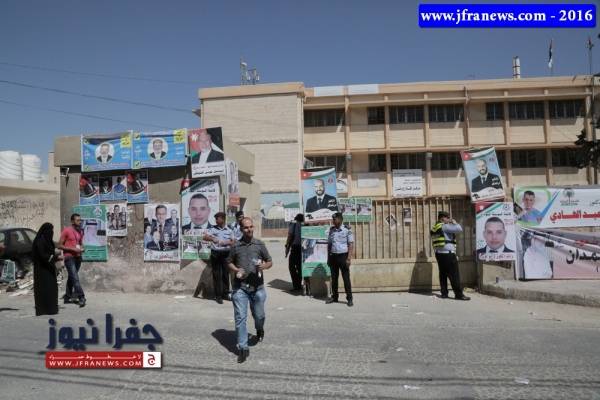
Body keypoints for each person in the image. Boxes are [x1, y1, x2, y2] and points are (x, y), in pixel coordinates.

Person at [227, 217, 272, 363]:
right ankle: (243, 348)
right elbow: (229, 262)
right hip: (240, 288)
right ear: (241, 229)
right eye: (246, 227)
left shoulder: (259, 244)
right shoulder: (235, 246)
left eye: (251, 227)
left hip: (257, 288)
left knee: (259, 316)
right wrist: (236, 269)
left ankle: (259, 329)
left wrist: (264, 266)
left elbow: (270, 261)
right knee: (240, 317)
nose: (249, 229)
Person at [431, 211, 470, 300]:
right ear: (442, 218)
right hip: (448, 255)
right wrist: (455, 223)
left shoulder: (435, 227)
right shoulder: (445, 226)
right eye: (447, 218)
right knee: (454, 275)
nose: (449, 219)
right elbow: (459, 229)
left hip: (439, 254)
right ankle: (459, 295)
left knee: (443, 274)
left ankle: (444, 293)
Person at [204, 212, 235, 304]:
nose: (216, 220)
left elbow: (233, 242)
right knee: (217, 275)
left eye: (218, 218)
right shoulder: (212, 229)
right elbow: (205, 237)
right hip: (215, 254)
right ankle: (218, 296)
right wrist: (212, 239)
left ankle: (225, 294)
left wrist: (226, 242)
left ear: (223, 219)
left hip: (226, 254)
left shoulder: (229, 230)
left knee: (225, 275)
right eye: (216, 219)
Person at [32, 223, 62, 316]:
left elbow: (51, 252)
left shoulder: (48, 241)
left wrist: (55, 256)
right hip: (41, 270)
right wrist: (55, 257)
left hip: (49, 269)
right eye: (49, 230)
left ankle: (51, 309)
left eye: (52, 230)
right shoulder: (39, 242)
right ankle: (42, 309)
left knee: (51, 289)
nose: (51, 232)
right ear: (45, 231)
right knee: (43, 289)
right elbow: (43, 256)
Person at [326, 212, 354, 307]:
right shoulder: (331, 230)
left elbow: (350, 244)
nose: (333, 221)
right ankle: (335, 297)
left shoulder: (347, 230)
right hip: (333, 257)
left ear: (340, 220)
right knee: (334, 279)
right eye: (333, 219)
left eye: (335, 219)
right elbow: (329, 245)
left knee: (346, 279)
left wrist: (349, 258)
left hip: (343, 257)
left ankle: (349, 298)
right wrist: (328, 258)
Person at [58, 213, 86, 307]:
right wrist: (72, 249)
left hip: (78, 257)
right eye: (77, 220)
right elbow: (59, 245)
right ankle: (81, 297)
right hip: (69, 257)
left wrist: (82, 248)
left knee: (72, 277)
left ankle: (67, 296)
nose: (80, 222)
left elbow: (80, 243)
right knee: (75, 277)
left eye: (80, 220)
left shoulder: (80, 231)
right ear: (72, 221)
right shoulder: (66, 230)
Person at [285, 213, 304, 292]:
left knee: (292, 267)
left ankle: (296, 285)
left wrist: (287, 247)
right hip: (303, 248)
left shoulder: (294, 225)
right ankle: (299, 284)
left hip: (295, 248)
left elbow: (290, 236)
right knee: (300, 268)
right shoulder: (305, 225)